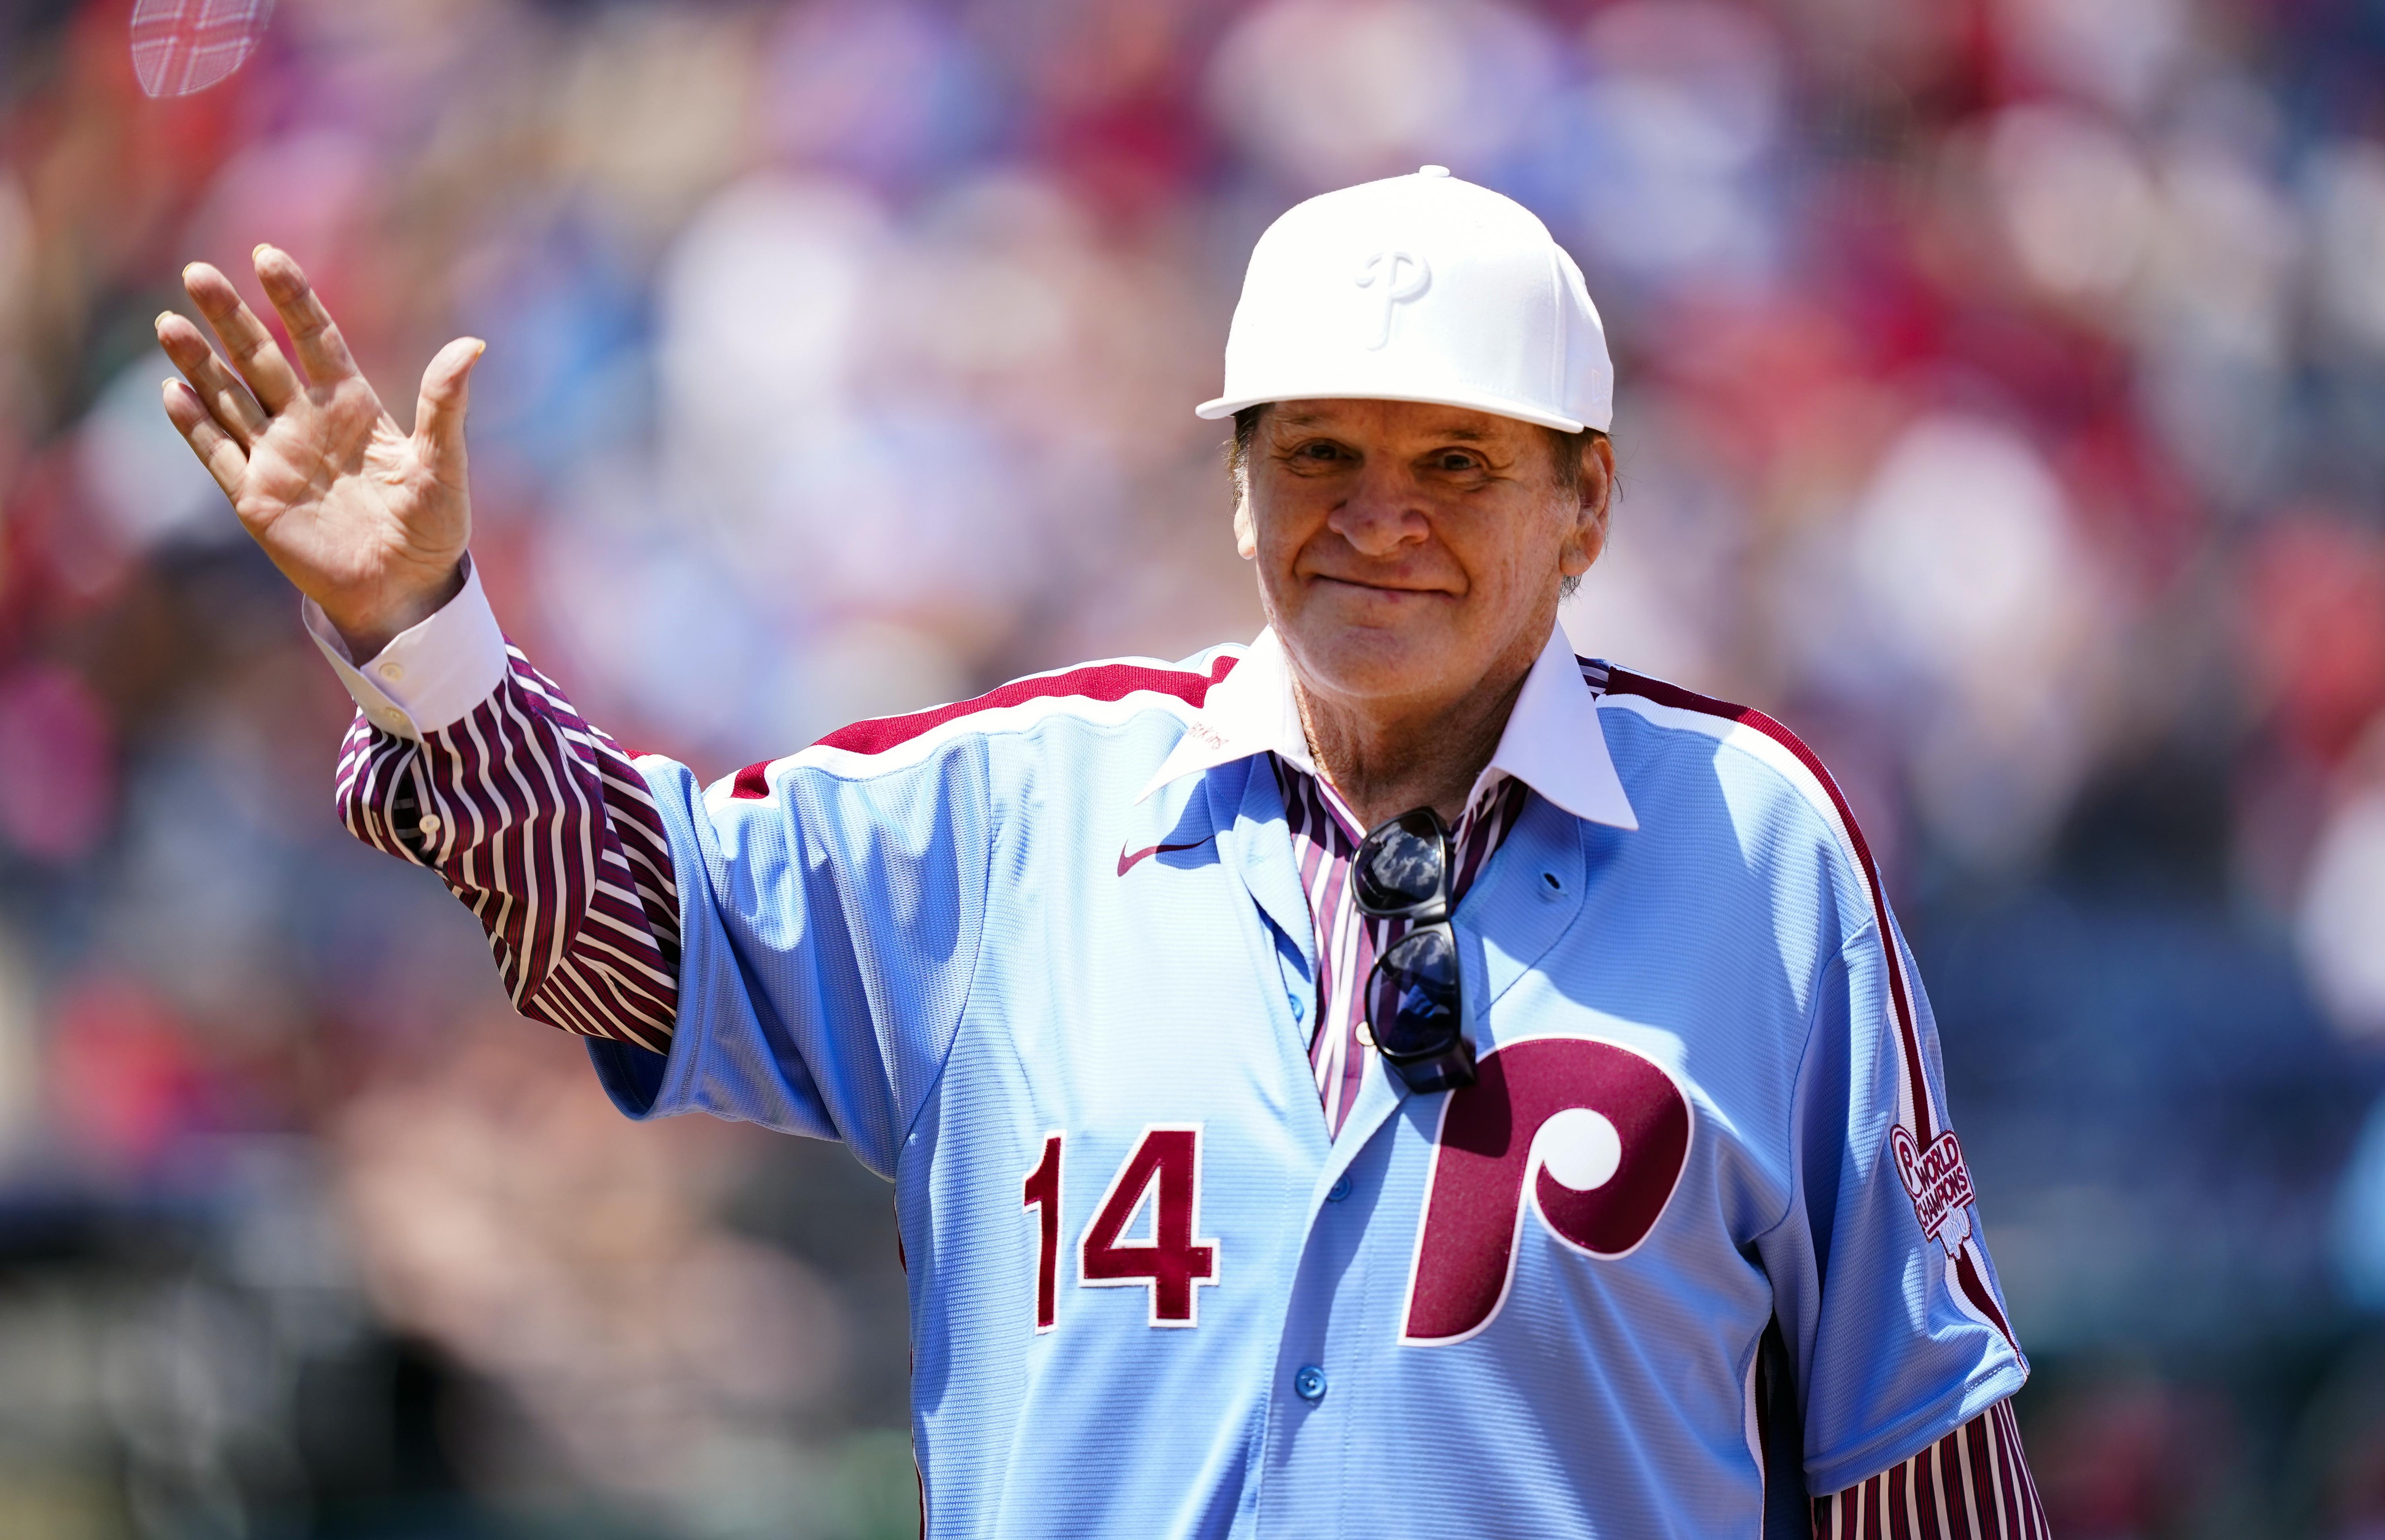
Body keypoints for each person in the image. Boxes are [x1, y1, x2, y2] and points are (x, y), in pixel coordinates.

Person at [157, 167, 2047, 1538]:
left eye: (1458, 462)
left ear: (1587, 505)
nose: (1378, 519)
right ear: (1237, 488)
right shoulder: (1019, 807)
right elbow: (633, 917)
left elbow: (1916, 1442)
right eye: (1321, 455)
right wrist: (429, 639)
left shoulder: (1758, 840)